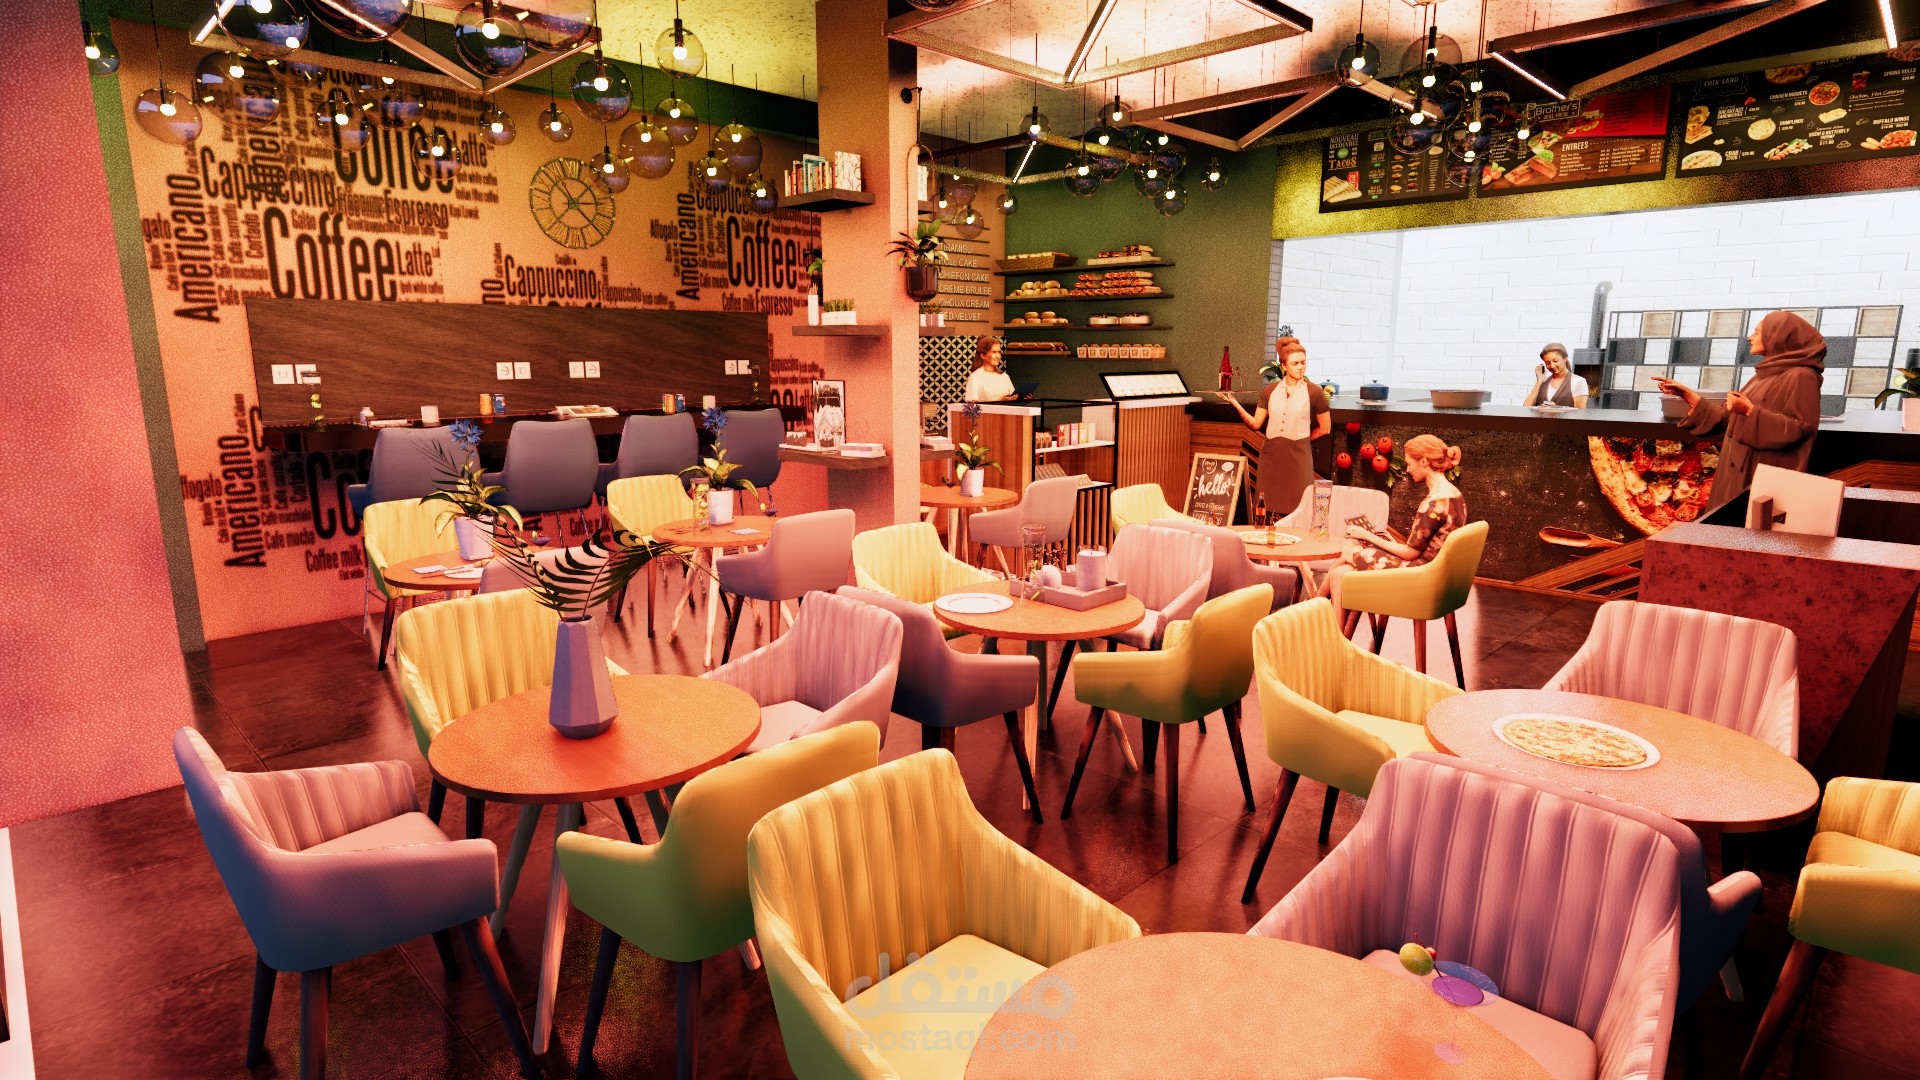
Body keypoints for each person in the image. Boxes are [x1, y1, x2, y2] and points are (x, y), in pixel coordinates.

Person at [1653, 310, 1824, 514]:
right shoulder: (1762, 376)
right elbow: (1729, 420)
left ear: (1777, 337)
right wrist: (1688, 395)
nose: (1750, 337)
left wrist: (1749, 410)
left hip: (1761, 476)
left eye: (1757, 332)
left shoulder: (1802, 376)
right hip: (1735, 473)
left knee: (1750, 528)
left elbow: (1800, 428)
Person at [1316, 434, 1466, 615]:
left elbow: (1410, 554)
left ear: (1424, 461)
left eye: (1409, 464)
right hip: (1435, 573)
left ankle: (1313, 606)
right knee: (1340, 573)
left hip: (1419, 575)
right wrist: (1388, 542)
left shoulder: (1433, 504)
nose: (1408, 470)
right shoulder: (1455, 495)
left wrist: (1365, 535)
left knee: (1348, 551)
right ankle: (1333, 628)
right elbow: (1426, 547)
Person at [1215, 334, 1331, 515]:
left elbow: (1325, 428)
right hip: (1270, 455)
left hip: (1298, 456)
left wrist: (1305, 440)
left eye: (1303, 362)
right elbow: (1255, 424)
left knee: (1299, 508)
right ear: (1284, 366)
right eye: (1295, 363)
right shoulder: (1269, 391)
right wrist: (1235, 403)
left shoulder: (1315, 392)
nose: (1301, 367)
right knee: (1267, 506)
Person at [1523, 343, 1589, 408]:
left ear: (1565, 358)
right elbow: (1526, 407)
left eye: (1555, 361)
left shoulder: (1578, 381)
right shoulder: (1543, 380)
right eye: (1547, 363)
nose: (1552, 366)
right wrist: (1539, 381)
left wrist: (1556, 409)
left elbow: (1580, 412)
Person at [963, 335, 1016, 402]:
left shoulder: (1004, 377)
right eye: (994, 352)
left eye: (999, 352)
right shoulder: (975, 378)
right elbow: (971, 406)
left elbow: (1014, 399)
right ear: (983, 355)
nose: (998, 356)